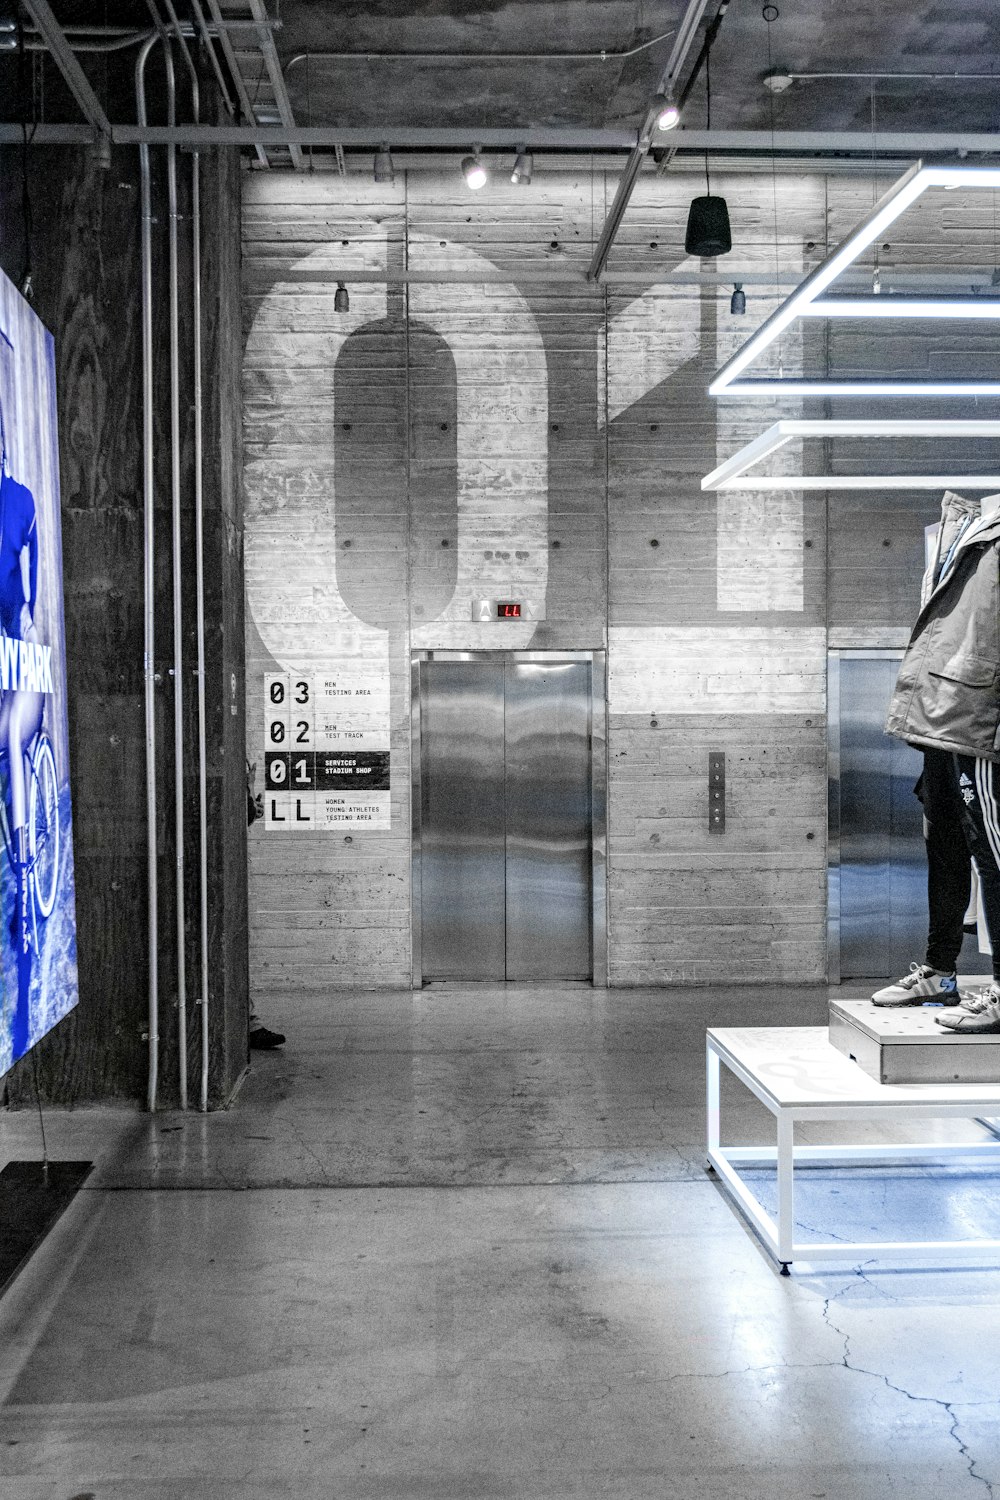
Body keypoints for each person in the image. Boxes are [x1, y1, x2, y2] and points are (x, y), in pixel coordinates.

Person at [873, 490, 1000, 1032]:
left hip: (977, 715)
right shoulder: (964, 525)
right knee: (943, 837)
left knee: (994, 854)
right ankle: (941, 971)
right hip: (941, 713)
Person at [0, 354, 43, 1059]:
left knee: (13, 738)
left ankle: (25, 857)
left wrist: (29, 621)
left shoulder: (21, 499)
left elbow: (28, 594)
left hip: (13, 649)